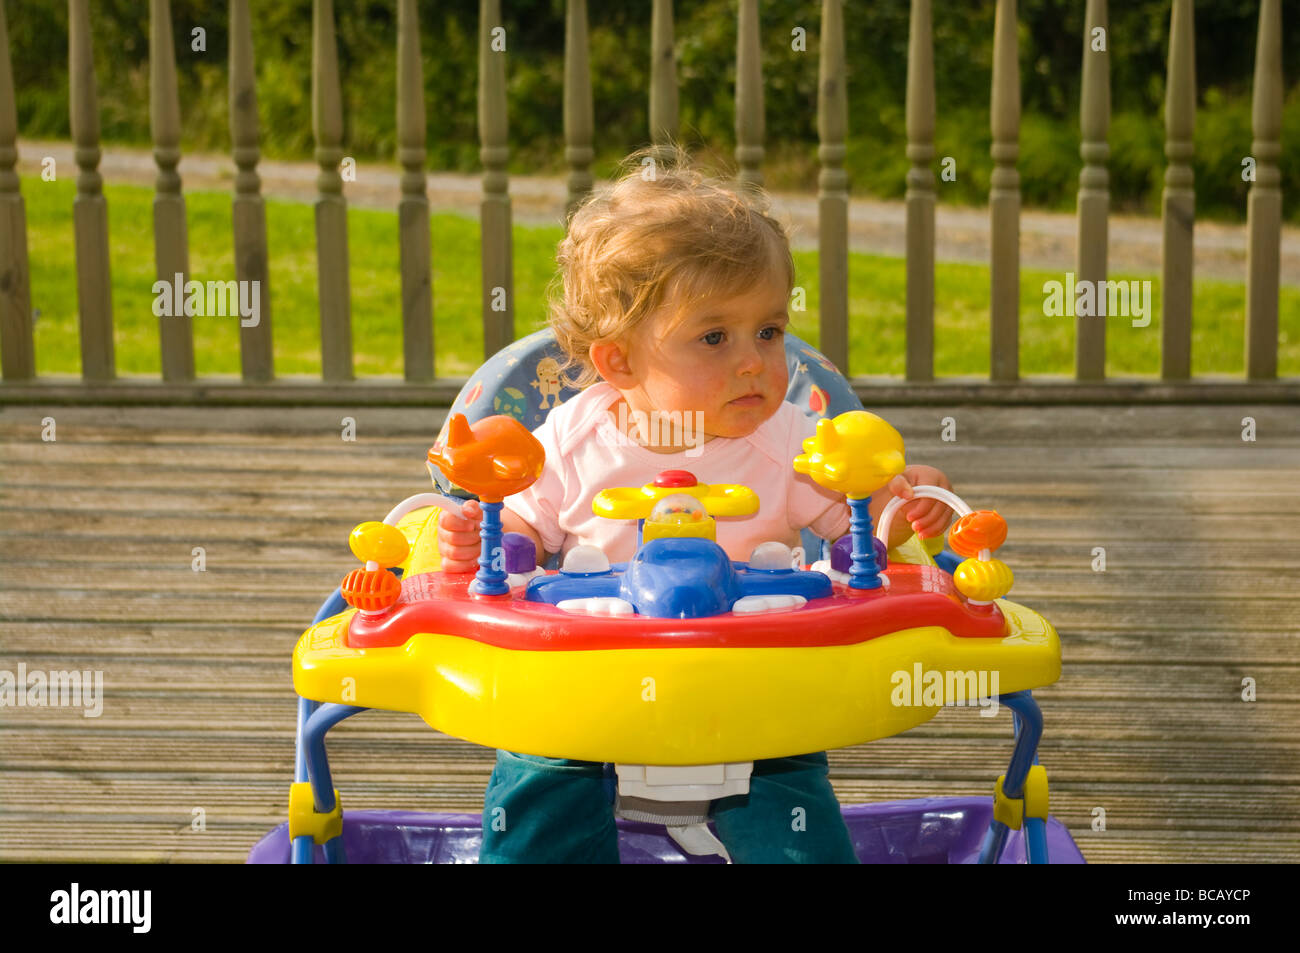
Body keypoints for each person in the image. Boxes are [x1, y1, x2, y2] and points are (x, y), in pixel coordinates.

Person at [436, 145, 953, 863]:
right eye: (715, 336)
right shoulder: (571, 440)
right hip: (589, 689)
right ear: (618, 360)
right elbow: (516, 536)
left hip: (754, 693)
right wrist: (480, 545)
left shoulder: (791, 440)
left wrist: (905, 506)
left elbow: (858, 538)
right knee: (539, 784)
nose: (756, 361)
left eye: (768, 331)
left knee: (792, 814)